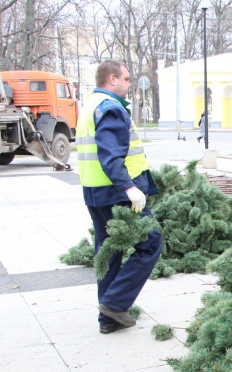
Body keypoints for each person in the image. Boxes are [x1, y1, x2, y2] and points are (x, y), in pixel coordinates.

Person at [76, 60, 162, 334]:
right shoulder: (111, 108)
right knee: (151, 243)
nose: (128, 83)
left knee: (109, 251)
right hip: (117, 195)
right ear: (112, 79)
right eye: (126, 79)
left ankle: (109, 319)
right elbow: (111, 156)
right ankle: (114, 304)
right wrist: (130, 189)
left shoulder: (91, 105)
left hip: (95, 192)